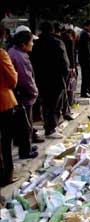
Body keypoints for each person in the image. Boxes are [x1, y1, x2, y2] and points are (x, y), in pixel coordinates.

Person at [31, 22, 70, 139]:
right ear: (52, 30)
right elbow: (65, 63)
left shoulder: (36, 43)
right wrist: (65, 75)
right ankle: (51, 128)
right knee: (54, 105)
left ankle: (48, 126)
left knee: (45, 103)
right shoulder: (57, 42)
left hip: (40, 79)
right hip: (56, 79)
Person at [8, 26, 39, 159]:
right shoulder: (20, 57)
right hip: (23, 95)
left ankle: (26, 145)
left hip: (18, 94)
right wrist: (34, 92)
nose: (32, 44)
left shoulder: (13, 52)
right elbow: (26, 79)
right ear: (23, 44)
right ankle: (25, 151)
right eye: (31, 42)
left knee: (22, 124)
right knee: (26, 124)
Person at [0, 23, 18, 186]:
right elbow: (13, 80)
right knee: (5, 142)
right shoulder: (2, 55)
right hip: (3, 102)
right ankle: (6, 175)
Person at [78, 18, 90, 98]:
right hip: (87, 60)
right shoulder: (85, 34)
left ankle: (88, 91)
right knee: (86, 76)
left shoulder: (88, 33)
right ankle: (84, 92)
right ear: (89, 25)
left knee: (89, 77)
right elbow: (86, 48)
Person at [62, 28, 77, 119]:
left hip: (63, 68)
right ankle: (68, 106)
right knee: (70, 87)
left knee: (66, 88)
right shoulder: (69, 41)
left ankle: (67, 106)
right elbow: (71, 55)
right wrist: (73, 67)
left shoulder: (60, 40)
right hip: (68, 67)